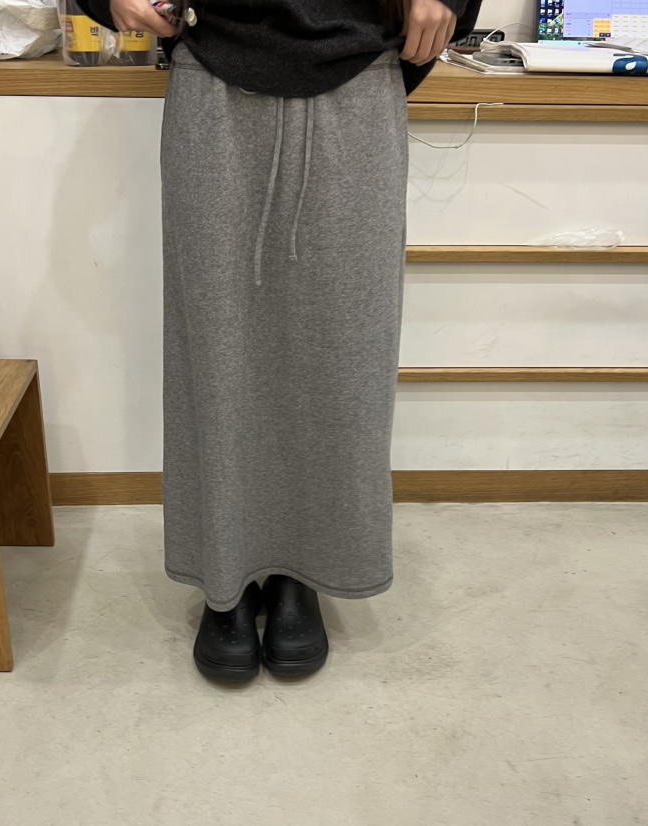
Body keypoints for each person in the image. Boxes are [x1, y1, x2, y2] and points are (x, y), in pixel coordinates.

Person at [77, 0, 482, 681]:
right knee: (215, 351)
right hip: (215, 70)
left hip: (359, 73)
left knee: (343, 356)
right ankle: (224, 576)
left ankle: (306, 570)